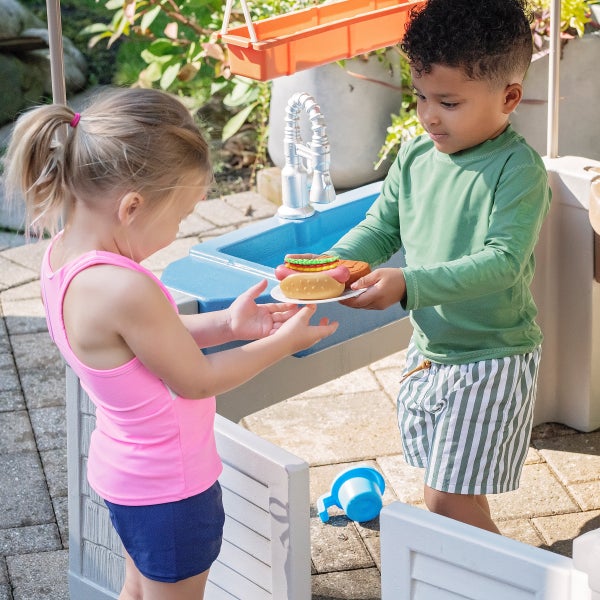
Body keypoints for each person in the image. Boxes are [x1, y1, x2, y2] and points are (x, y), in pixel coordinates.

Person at [3, 87, 338, 600]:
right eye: (179, 219)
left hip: (127, 478)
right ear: (132, 206)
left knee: (137, 593)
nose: (177, 230)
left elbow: (147, 344)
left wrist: (228, 325)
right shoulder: (124, 287)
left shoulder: (63, 261)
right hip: (171, 492)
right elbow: (194, 379)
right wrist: (282, 344)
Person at [329, 0, 552, 533]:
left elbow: (501, 263)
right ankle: (497, 579)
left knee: (446, 501)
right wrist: (334, 264)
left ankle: (513, 585)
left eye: (448, 102)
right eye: (421, 96)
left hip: (492, 358)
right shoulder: (414, 156)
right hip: (430, 354)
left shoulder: (518, 170)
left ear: (509, 98)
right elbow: (382, 228)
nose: (429, 115)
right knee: (456, 497)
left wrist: (409, 284)